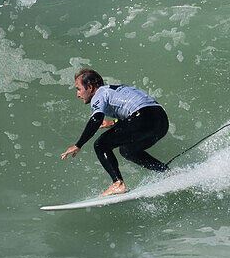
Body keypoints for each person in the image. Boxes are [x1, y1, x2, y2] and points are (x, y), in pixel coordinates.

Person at [60, 68, 169, 197]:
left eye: (78, 89)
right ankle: (167, 172)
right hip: (161, 122)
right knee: (127, 150)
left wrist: (78, 144)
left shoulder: (99, 93)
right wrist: (113, 123)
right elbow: (134, 110)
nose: (78, 94)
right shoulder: (115, 90)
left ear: (89, 87)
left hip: (143, 117)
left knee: (101, 145)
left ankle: (118, 184)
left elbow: (96, 119)